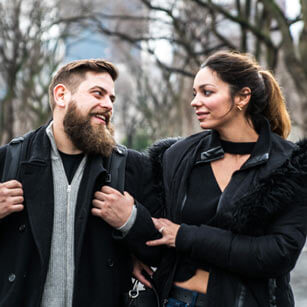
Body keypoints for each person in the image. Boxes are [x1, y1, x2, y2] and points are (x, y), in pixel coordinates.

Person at [93, 51, 307, 306]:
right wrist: (131, 231)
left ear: (242, 97)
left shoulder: (289, 165)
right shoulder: (178, 156)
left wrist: (186, 236)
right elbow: (160, 233)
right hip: (176, 301)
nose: (195, 101)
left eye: (207, 92)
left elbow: (277, 254)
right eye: (194, 93)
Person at [0, 59, 156, 307]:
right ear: (61, 95)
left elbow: (165, 253)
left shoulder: (130, 167)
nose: (107, 105)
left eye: (111, 99)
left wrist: (132, 221)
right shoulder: (9, 161)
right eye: (98, 93)